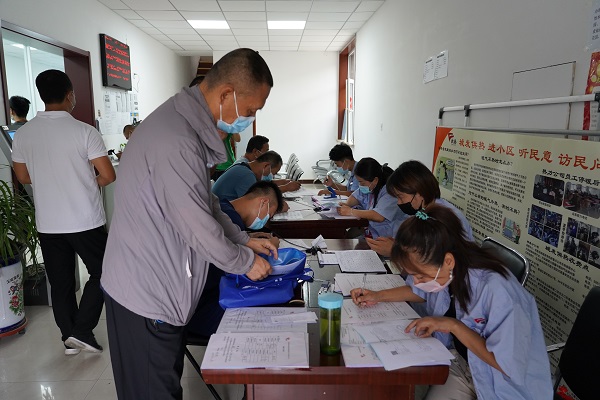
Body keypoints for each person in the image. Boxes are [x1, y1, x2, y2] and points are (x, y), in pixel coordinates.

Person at [100, 48, 278, 400]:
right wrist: (246, 261)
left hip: (155, 286)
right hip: (147, 295)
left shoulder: (183, 128)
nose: (250, 119)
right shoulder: (178, 141)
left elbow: (206, 204)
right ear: (226, 94)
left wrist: (243, 239)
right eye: (251, 110)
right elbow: (199, 229)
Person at [351, 205, 553, 399]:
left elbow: (505, 363)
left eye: (420, 276)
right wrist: (377, 296)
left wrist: (452, 325)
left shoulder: (498, 292)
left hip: (503, 384)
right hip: (464, 364)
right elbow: (419, 291)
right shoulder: (450, 270)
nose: (417, 282)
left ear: (448, 261)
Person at [12, 70, 116, 355]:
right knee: (104, 271)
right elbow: (108, 175)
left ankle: (69, 337)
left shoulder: (24, 134)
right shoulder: (85, 131)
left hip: (49, 223)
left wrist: (52, 182)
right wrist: (85, 182)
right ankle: (82, 331)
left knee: (61, 283)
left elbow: (23, 177)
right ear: (70, 95)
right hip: (85, 219)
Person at [187, 181, 283, 337]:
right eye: (268, 216)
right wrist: (252, 253)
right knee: (270, 312)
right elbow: (234, 266)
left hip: (203, 298)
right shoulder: (232, 219)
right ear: (263, 202)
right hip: (204, 305)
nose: (265, 222)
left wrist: (248, 239)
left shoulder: (226, 207)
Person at [368, 160, 474, 257]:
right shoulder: (423, 211)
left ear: (419, 193)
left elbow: (435, 260)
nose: (399, 202)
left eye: (400, 197)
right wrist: (399, 244)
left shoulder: (445, 217)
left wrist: (395, 250)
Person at [336, 157, 407, 239]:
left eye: (362, 183)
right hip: (374, 234)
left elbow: (379, 216)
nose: (360, 186)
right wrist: (346, 205)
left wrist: (351, 211)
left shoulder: (390, 191)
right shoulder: (371, 187)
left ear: (375, 180)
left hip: (392, 239)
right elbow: (355, 196)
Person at [212, 150, 299, 201]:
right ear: (266, 166)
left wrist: (284, 184)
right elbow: (258, 200)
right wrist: (285, 188)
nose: (271, 175)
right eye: (273, 173)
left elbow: (262, 187)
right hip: (222, 215)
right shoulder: (246, 175)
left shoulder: (244, 167)